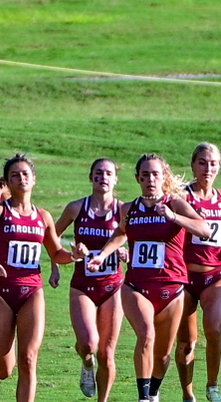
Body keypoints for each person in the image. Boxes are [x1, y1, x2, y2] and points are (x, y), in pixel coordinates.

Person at [86, 153, 210, 402]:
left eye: (155, 174)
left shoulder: (175, 203)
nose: (150, 179)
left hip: (173, 288)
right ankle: (143, 397)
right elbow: (121, 233)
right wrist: (103, 254)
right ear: (138, 179)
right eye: (145, 175)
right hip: (136, 286)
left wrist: (174, 217)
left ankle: (153, 394)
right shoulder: (128, 208)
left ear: (163, 177)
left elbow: (204, 229)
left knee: (163, 355)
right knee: (146, 335)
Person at [0, 154, 85, 402]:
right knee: (3, 369)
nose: (21, 179)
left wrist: (74, 256)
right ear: (7, 182)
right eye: (14, 175)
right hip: (1, 293)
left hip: (32, 291)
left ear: (34, 179)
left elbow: (56, 253)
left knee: (29, 359)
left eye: (25, 174)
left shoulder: (43, 216)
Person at [54, 158, 126, 401]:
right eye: (98, 173)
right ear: (91, 177)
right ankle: (86, 365)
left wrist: (128, 253)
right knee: (88, 344)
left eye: (108, 173)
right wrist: (57, 265)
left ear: (115, 179)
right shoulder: (76, 208)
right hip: (83, 286)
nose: (103, 177)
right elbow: (52, 237)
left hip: (113, 285)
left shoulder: (123, 210)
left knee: (107, 353)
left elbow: (139, 240)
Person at [174, 143, 221, 402]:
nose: (208, 168)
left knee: (215, 329)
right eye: (202, 162)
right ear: (193, 165)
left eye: (213, 163)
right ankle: (187, 393)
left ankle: (213, 384)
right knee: (186, 343)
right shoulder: (182, 197)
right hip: (184, 277)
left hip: (214, 276)